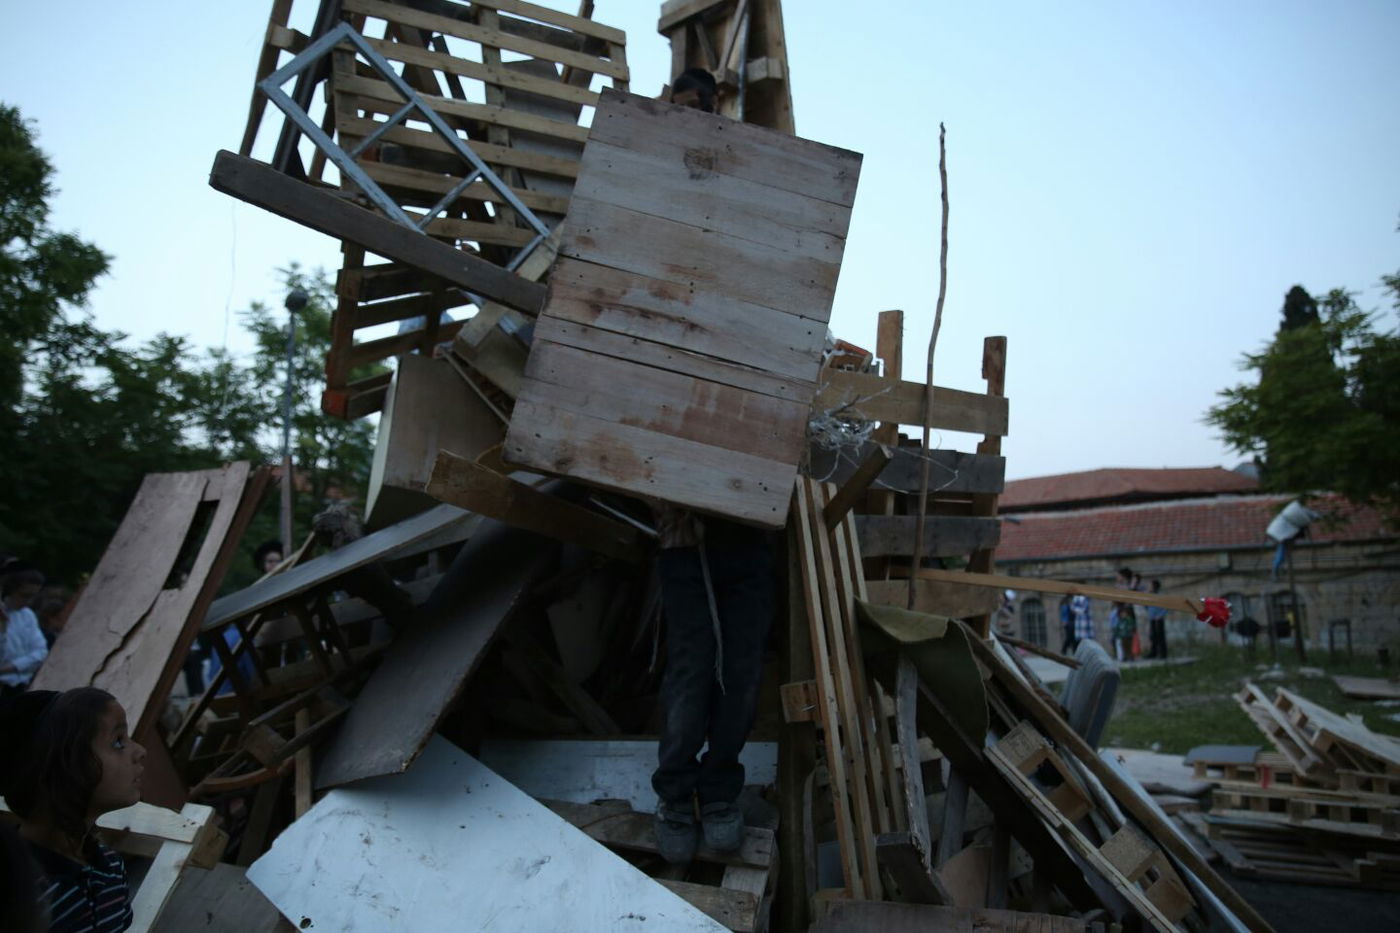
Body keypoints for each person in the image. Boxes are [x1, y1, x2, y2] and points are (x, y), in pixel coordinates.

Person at [650, 67, 774, 866]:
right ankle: (673, 795)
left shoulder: (751, 225)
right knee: (692, 670)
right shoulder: (647, 224)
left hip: (749, 509)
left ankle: (721, 790)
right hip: (680, 518)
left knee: (742, 673)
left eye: (706, 114)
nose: (696, 127)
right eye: (682, 114)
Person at [0, 687, 145, 932]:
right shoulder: (20, 893)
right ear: (62, 768)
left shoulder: (109, 869)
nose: (141, 751)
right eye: (118, 742)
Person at [2, 568, 49, 696]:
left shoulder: (27, 615)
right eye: (24, 595)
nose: (29, 601)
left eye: (32, 596)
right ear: (10, 590)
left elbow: (40, 652)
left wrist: (8, 668)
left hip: (20, 686)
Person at [1146, 580, 1169, 659]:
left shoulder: (1160, 596)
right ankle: (1153, 652)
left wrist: (1160, 615)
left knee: (1160, 636)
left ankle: (1163, 654)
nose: (1149, 587)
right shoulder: (1149, 596)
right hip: (1152, 618)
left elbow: (1165, 608)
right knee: (1153, 636)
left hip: (1159, 619)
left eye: (1150, 586)